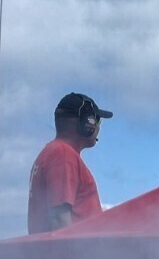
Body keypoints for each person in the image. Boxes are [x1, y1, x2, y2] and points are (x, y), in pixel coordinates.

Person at [27, 92, 113, 234]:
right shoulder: (63, 155)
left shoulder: (52, 153)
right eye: (97, 121)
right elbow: (59, 219)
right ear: (86, 123)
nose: (98, 128)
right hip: (74, 255)